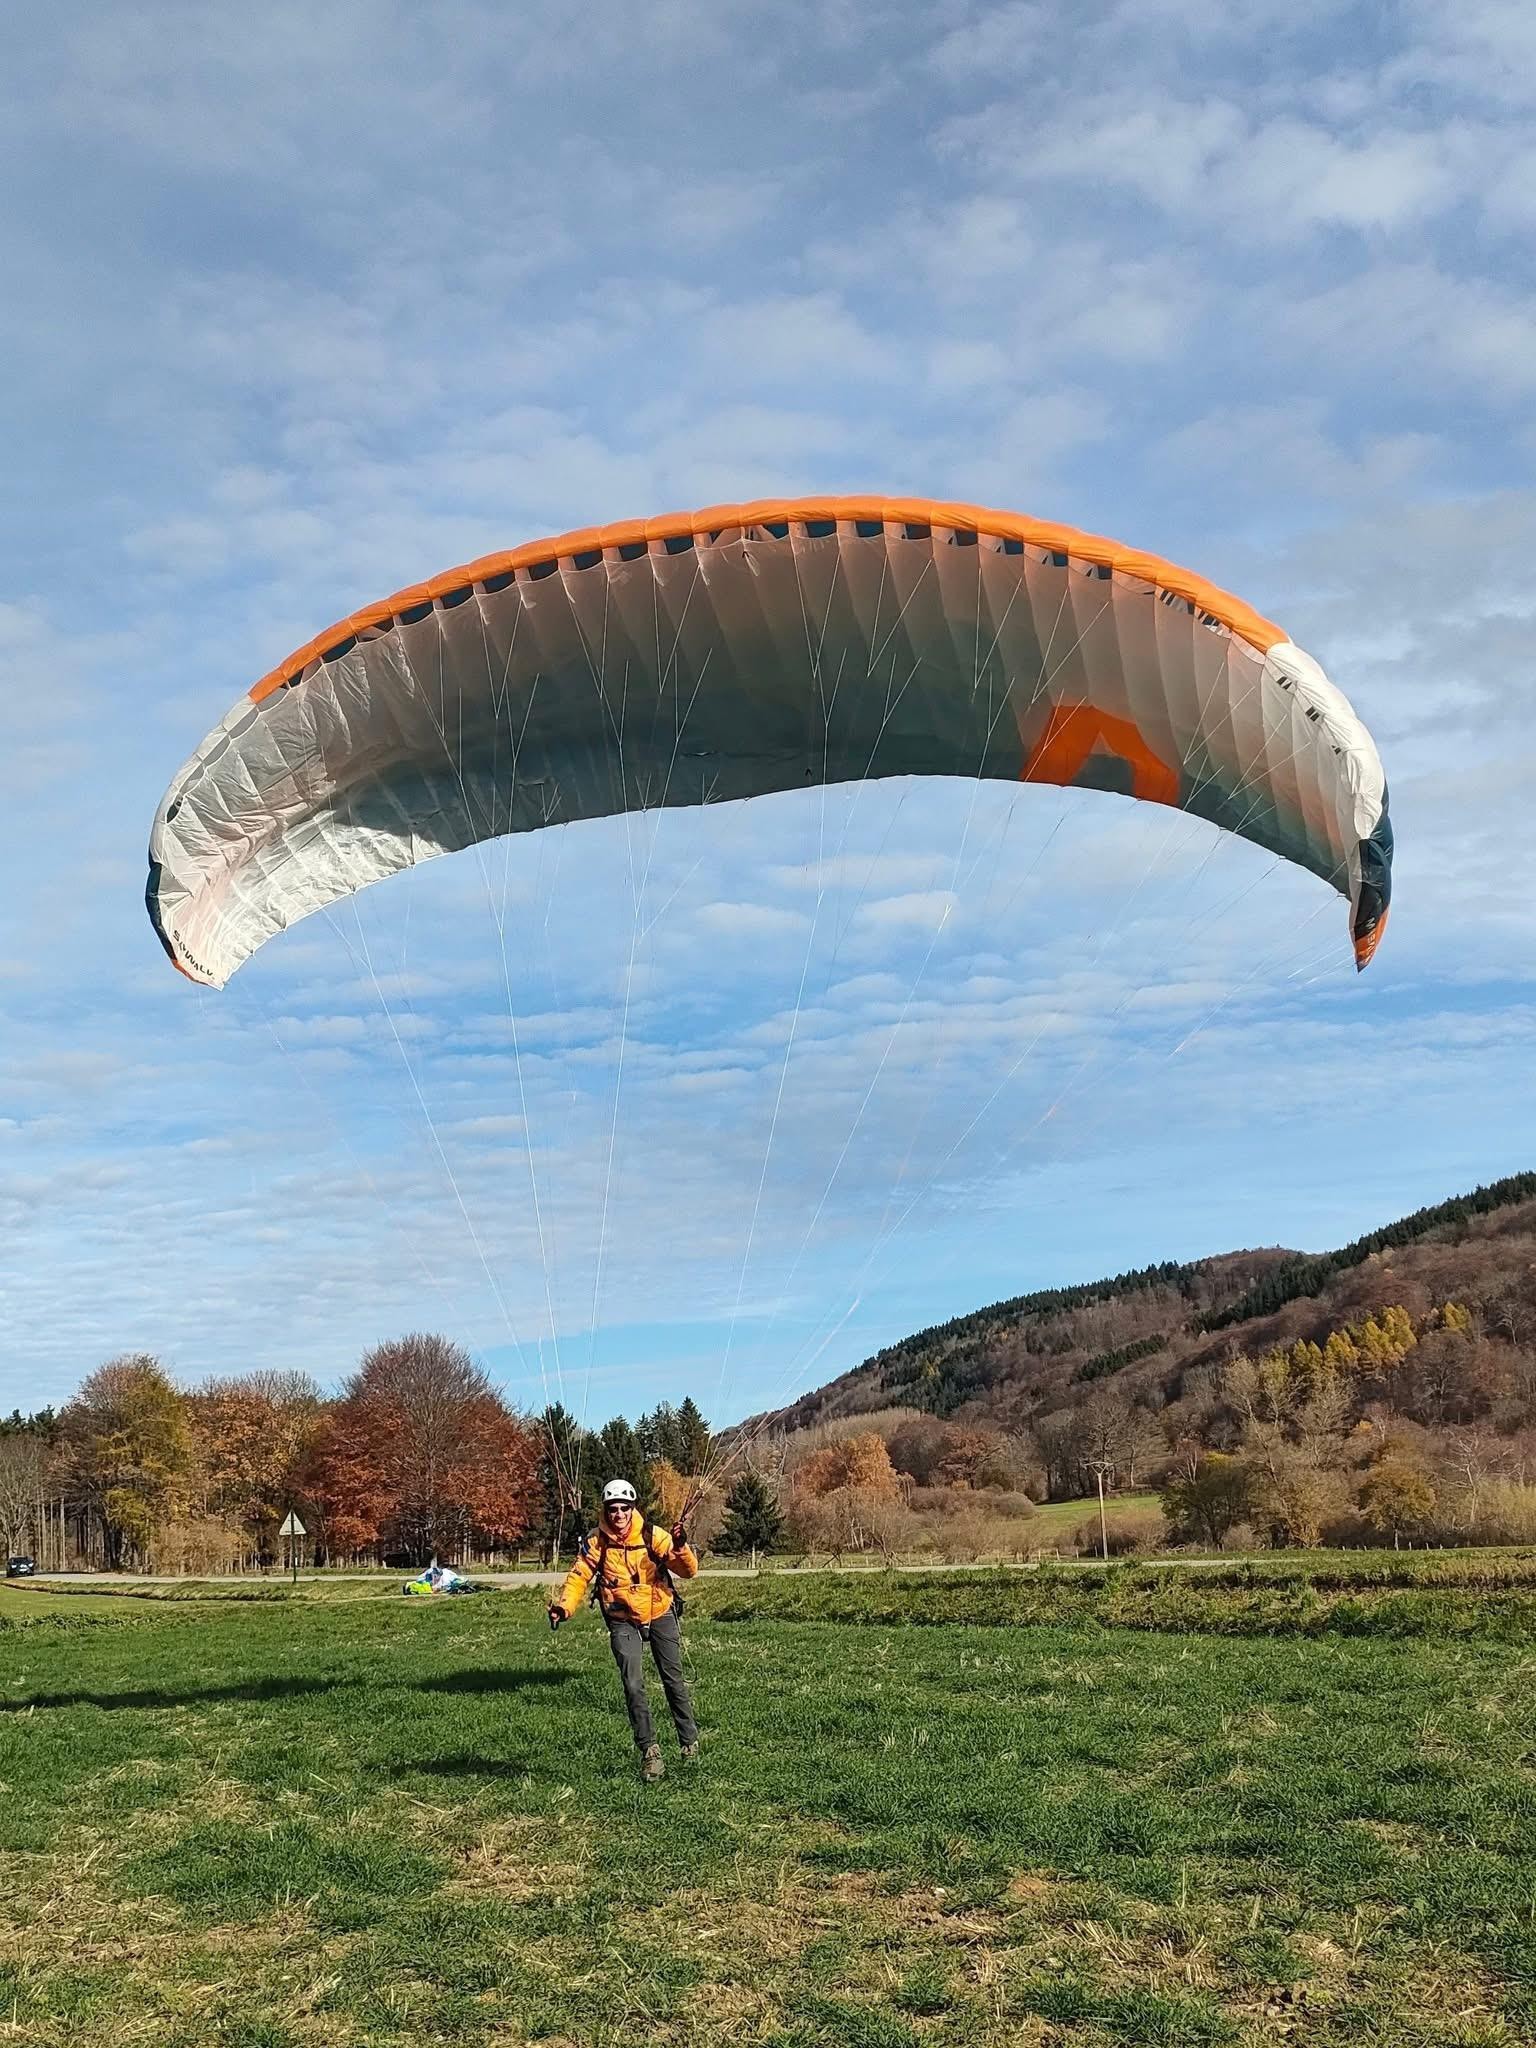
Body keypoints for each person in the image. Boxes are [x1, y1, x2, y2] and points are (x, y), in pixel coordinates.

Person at [548, 1478, 699, 1781]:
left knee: (673, 1680)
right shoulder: (596, 1542)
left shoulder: (652, 1535)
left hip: (659, 1610)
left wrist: (680, 1547)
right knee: (632, 1682)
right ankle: (650, 1753)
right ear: (605, 1510)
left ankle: (689, 1743)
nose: (618, 1514)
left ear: (633, 1508)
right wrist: (564, 1606)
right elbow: (579, 1576)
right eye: (613, 1509)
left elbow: (689, 1571)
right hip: (621, 1617)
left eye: (624, 1508)